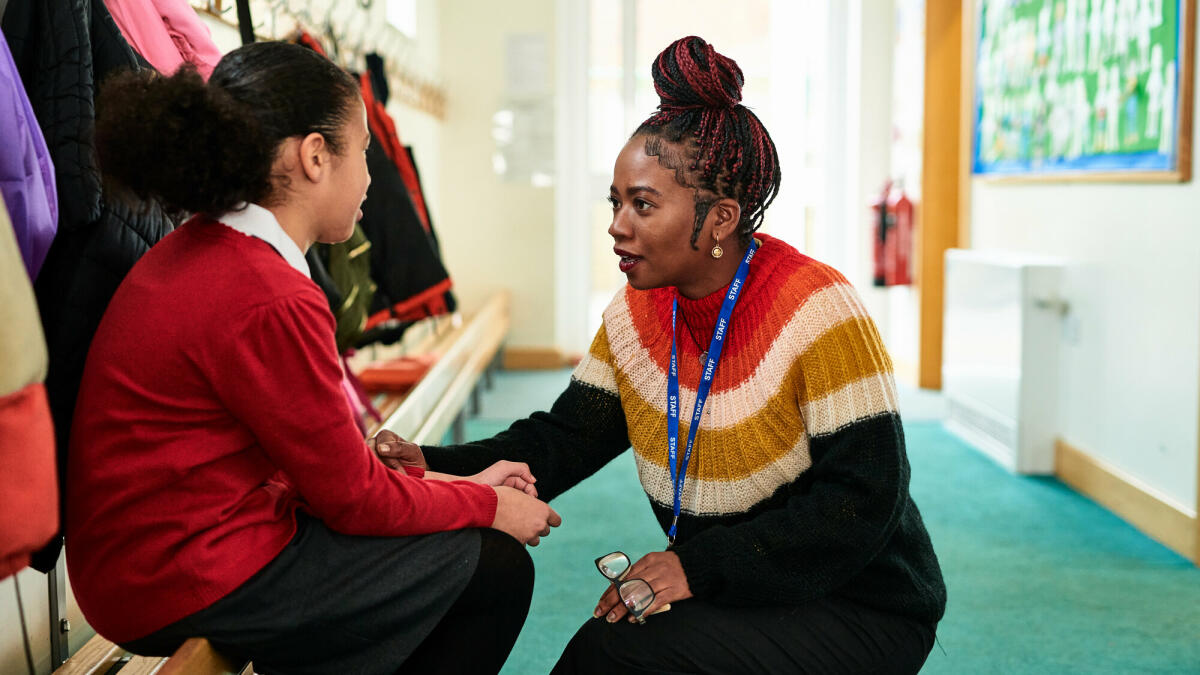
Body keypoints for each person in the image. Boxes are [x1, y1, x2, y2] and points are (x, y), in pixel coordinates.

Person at [422, 36, 946, 674]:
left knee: (613, 657)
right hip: (747, 585)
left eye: (642, 204)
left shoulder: (817, 308)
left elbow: (862, 501)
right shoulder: (637, 312)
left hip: (861, 603)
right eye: (614, 202)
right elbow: (559, 441)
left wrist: (694, 567)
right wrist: (421, 464)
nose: (617, 224)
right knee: (608, 651)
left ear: (721, 218)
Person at [65, 42, 560, 675]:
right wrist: (490, 507)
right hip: (176, 575)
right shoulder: (268, 293)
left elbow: (322, 474)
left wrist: (453, 484)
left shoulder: (209, 248)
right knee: (493, 567)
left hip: (149, 562)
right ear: (316, 156)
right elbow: (353, 502)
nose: (371, 178)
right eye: (363, 152)